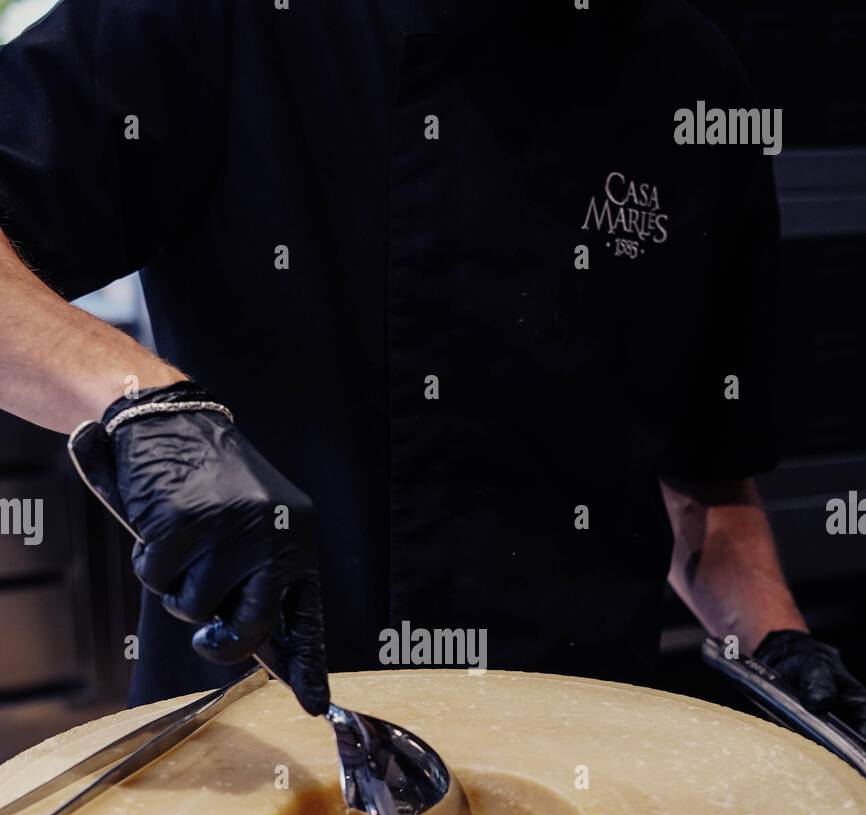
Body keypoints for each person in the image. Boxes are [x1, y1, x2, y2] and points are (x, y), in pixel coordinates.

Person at [0, 0, 863, 734]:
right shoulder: (220, 20)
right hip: (262, 736)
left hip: (592, 744)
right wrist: (141, 402)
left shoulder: (689, 70)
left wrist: (779, 648)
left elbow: (705, 484)